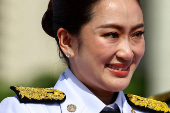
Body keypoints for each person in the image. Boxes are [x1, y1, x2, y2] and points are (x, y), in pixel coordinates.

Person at [1, 0, 170, 113]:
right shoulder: (24, 110)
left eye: (137, 34)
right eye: (111, 34)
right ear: (67, 41)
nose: (127, 53)